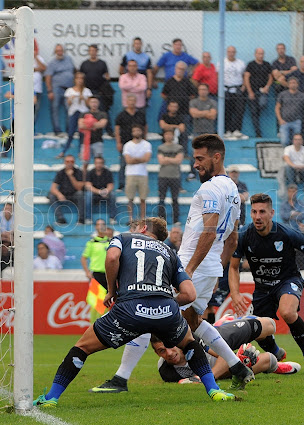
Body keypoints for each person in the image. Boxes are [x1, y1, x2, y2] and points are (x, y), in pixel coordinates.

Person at [91, 134, 253, 394]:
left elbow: (209, 231)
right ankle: (237, 366)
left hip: (192, 265)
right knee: (194, 322)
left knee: (147, 312)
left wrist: (188, 271)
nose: (195, 164)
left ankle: (120, 379)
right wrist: (217, 269)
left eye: (200, 159)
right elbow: (232, 238)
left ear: (217, 157)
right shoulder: (234, 191)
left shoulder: (210, 188)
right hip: (210, 267)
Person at [33, 217, 236, 407]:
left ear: (144, 228)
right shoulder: (170, 252)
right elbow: (190, 294)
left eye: (137, 227)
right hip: (165, 311)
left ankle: (51, 398)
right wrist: (166, 302)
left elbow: (112, 257)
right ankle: (214, 390)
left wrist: (111, 291)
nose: (134, 229)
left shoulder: (124, 238)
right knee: (190, 344)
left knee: (82, 347)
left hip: (130, 308)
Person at [229, 193, 304, 374]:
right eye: (254, 212)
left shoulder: (287, 233)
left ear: (272, 213)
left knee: (288, 312)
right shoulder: (244, 236)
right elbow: (233, 267)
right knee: (258, 329)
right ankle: (276, 351)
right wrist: (235, 294)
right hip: (262, 288)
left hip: (288, 281)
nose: (257, 216)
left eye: (262, 212)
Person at [153, 314, 301, 383]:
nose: (169, 353)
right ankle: (275, 365)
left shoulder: (191, 339)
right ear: (156, 353)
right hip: (227, 368)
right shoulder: (165, 370)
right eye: (162, 351)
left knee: (269, 325)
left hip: (222, 341)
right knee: (268, 360)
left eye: (169, 347)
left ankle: (228, 323)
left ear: (176, 341)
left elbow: (223, 353)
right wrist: (239, 362)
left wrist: (203, 379)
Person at [114, 94, 147, 191]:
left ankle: (138, 185)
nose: (132, 102)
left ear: (136, 102)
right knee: (123, 164)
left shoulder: (140, 115)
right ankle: (121, 184)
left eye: (133, 100)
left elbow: (145, 127)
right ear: (126, 102)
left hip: (139, 143)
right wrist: (118, 142)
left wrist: (144, 139)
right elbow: (117, 129)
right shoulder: (121, 115)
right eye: (130, 100)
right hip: (125, 143)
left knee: (140, 163)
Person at [59, 72, 92, 158]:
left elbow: (88, 105)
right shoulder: (69, 90)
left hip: (83, 113)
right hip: (73, 113)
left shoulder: (87, 91)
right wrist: (71, 98)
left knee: (82, 133)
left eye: (81, 78)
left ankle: (81, 152)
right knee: (71, 133)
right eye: (78, 78)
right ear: (75, 80)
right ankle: (64, 151)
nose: (80, 80)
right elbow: (68, 104)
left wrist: (84, 99)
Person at [123, 125, 152, 222]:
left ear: (141, 132)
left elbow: (147, 158)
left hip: (142, 174)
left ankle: (142, 218)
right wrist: (140, 159)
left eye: (138, 130)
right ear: (132, 132)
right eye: (134, 130)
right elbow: (128, 160)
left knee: (143, 198)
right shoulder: (127, 145)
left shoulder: (147, 144)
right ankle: (130, 218)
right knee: (130, 198)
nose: (137, 132)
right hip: (130, 174)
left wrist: (134, 159)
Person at [45, 44, 75, 136]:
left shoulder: (69, 59)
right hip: (57, 89)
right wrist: (50, 91)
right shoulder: (52, 63)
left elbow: (74, 71)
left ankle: (69, 130)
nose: (60, 52)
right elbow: (48, 77)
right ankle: (57, 130)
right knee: (55, 109)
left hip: (69, 89)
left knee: (69, 109)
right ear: (55, 52)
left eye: (61, 50)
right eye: (58, 51)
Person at [244, 48, 273, 138]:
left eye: (262, 54)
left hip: (263, 91)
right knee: (253, 113)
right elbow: (246, 78)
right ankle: (258, 133)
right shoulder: (250, 65)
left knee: (263, 104)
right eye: (259, 53)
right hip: (252, 91)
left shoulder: (267, 64)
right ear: (255, 54)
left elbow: (271, 77)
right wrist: (250, 92)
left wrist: (267, 87)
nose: (261, 55)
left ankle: (256, 111)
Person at [48, 155, 85, 225]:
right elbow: (53, 188)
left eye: (72, 161)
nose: (69, 163)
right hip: (63, 194)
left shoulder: (79, 172)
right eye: (67, 161)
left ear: (74, 162)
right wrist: (59, 194)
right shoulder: (61, 172)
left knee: (80, 194)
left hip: (74, 194)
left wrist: (71, 176)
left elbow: (79, 188)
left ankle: (81, 219)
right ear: (64, 162)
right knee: (51, 195)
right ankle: (61, 218)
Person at [279, 184, 304, 270]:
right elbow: (283, 216)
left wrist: (290, 215)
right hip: (287, 233)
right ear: (287, 192)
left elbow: (303, 215)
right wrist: (295, 214)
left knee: (300, 259)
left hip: (299, 232)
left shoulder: (301, 203)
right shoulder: (283, 204)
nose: (292, 193)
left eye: (294, 191)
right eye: (290, 191)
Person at [157, 129, 183, 225]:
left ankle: (176, 220)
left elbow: (178, 160)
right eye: (166, 134)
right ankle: (161, 220)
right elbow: (161, 161)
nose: (168, 136)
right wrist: (173, 159)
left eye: (170, 134)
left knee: (175, 199)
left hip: (175, 176)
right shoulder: (161, 147)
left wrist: (166, 158)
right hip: (163, 176)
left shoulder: (179, 147)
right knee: (161, 199)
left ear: (173, 135)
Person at [223, 46, 247, 140]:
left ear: (235, 53)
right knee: (227, 111)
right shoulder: (222, 62)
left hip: (238, 89)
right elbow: (218, 76)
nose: (231, 53)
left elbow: (244, 75)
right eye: (229, 52)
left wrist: (244, 86)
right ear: (227, 52)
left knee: (239, 111)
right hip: (226, 89)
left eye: (233, 52)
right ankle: (227, 131)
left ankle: (237, 130)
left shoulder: (241, 63)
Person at [84, 156, 117, 225]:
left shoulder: (108, 172)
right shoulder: (90, 172)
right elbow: (88, 186)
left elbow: (111, 185)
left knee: (112, 194)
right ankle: (88, 218)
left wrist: (106, 191)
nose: (99, 165)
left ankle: (112, 218)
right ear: (94, 163)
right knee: (88, 195)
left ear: (103, 164)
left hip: (105, 193)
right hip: (94, 193)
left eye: (100, 163)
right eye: (97, 163)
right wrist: (99, 192)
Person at [77, 97, 108, 167]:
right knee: (85, 163)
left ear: (98, 103)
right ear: (89, 103)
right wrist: (94, 125)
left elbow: (102, 124)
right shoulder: (83, 114)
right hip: (85, 142)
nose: (94, 104)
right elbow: (81, 125)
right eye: (92, 102)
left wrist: (88, 124)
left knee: (99, 163)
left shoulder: (103, 114)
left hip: (97, 141)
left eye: (95, 102)